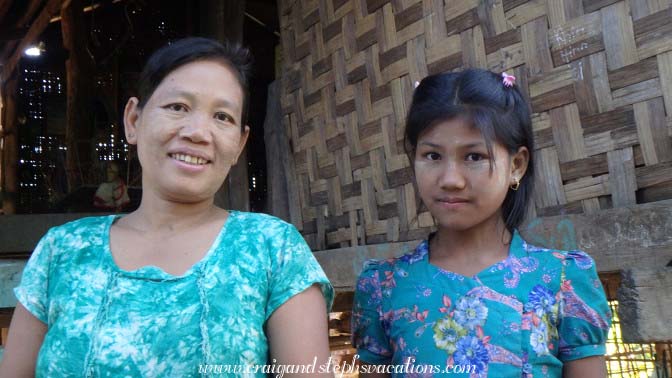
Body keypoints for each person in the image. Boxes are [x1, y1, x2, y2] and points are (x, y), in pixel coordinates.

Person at [1, 37, 334, 377]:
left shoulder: (273, 249)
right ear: (133, 119)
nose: (198, 132)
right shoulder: (62, 252)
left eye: (222, 116)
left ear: (239, 144)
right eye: (177, 107)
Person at [351, 69, 611, 377]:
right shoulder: (384, 287)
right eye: (432, 156)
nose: (450, 180)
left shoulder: (563, 281)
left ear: (517, 165)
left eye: (474, 156)